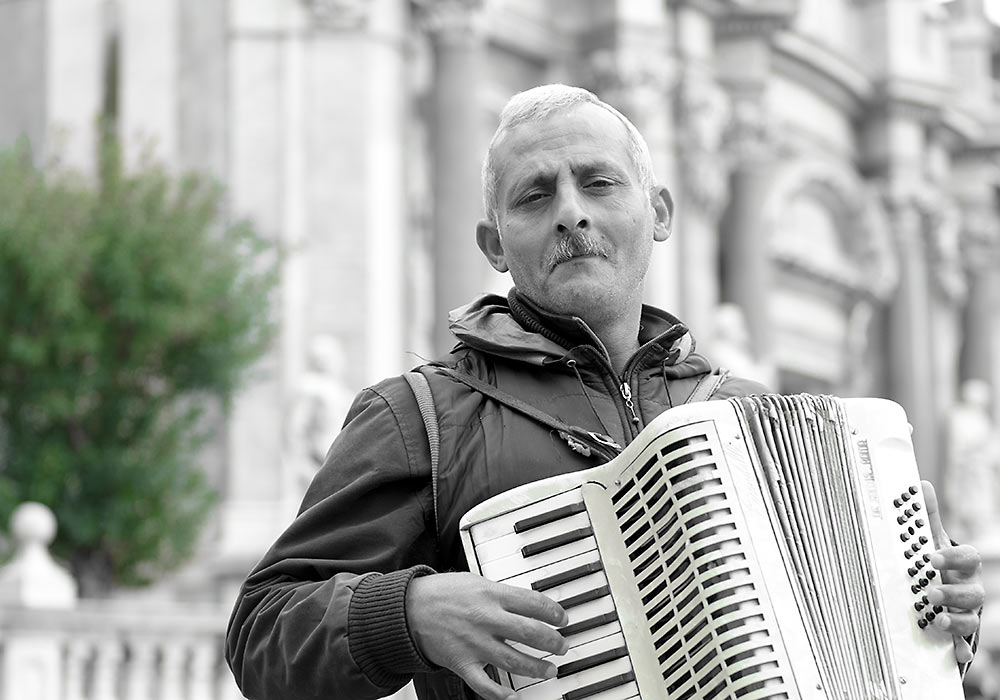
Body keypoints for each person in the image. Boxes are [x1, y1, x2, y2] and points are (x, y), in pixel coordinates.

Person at [225, 85, 984, 700]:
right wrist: (410, 614)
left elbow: (869, 636)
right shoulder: (421, 416)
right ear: (496, 244)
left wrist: (933, 614)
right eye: (534, 196)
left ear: (656, 214)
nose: (571, 212)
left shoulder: (753, 411)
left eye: (598, 182)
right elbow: (261, 633)